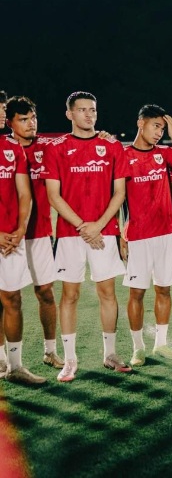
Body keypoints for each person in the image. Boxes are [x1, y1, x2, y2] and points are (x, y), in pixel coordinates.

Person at [43, 91, 132, 382]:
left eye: (92, 109)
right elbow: (54, 196)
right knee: (70, 295)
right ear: (69, 114)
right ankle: (70, 360)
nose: (88, 114)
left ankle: (110, 354)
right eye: (81, 110)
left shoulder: (112, 146)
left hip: (104, 232)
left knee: (107, 292)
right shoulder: (57, 148)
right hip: (71, 234)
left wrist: (99, 225)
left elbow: (119, 193)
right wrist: (84, 226)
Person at [121, 105, 172, 366]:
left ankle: (160, 344)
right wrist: (122, 235)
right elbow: (118, 199)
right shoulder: (123, 155)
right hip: (138, 236)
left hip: (165, 234)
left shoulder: (163, 154)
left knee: (164, 289)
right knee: (136, 293)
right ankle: (138, 348)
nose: (158, 132)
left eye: (162, 128)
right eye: (156, 126)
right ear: (141, 123)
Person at [5, 96, 63, 370]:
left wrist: (101, 134)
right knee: (6, 298)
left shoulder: (49, 148)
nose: (31, 124)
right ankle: (4, 358)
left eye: (33, 118)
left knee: (46, 293)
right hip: (8, 236)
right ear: (10, 123)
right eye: (23, 119)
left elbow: (78, 146)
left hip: (38, 234)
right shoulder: (4, 149)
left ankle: (50, 351)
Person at [0, 93, 46, 385]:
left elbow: (24, 194)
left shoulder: (11, 149)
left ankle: (15, 366)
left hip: (11, 241)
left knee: (12, 299)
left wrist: (19, 230)